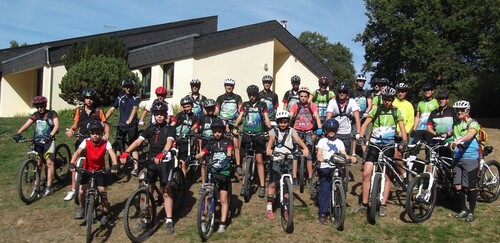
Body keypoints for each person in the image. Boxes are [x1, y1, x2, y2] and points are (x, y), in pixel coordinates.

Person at [120, 102, 178, 233]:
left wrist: (163, 153)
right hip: (151, 160)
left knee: (165, 191)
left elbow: (169, 142)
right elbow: (138, 141)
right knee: (147, 189)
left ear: (165, 115)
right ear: (153, 115)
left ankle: (169, 220)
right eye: (157, 114)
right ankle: (147, 218)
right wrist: (126, 152)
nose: (159, 117)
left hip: (164, 161)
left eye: (162, 114)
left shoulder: (170, 129)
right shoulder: (150, 128)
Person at [355, 86, 407, 217]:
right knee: (366, 173)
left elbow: (402, 128)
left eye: (389, 99)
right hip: (374, 144)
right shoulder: (376, 109)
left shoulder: (397, 112)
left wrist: (404, 140)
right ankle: (364, 203)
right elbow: (365, 124)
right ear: (382, 99)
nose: (387, 102)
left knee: (387, 175)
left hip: (388, 145)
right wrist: (361, 136)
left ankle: (383, 204)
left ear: (392, 99)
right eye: (385, 99)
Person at [69, 120, 118, 226]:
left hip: (100, 170)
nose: (95, 136)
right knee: (82, 191)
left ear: (101, 133)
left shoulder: (105, 142)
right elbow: (77, 152)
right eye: (93, 133)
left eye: (98, 133)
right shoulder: (86, 141)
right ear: (89, 134)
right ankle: (82, 208)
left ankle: (105, 213)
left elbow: (112, 153)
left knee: (102, 191)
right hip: (87, 169)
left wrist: (114, 164)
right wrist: (72, 163)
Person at [64, 88, 109, 201]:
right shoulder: (79, 110)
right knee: (76, 160)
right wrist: (71, 130)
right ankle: (73, 189)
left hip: (94, 139)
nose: (89, 100)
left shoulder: (98, 111)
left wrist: (106, 134)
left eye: (91, 98)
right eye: (87, 98)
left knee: (94, 161)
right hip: (82, 138)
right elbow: (76, 124)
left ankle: (93, 183)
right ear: (84, 99)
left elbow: (105, 124)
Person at [265, 110, 308, 220]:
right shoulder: (274, 131)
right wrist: (269, 149)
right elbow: (271, 140)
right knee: (273, 183)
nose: (283, 124)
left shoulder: (291, 131)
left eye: (285, 122)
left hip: (288, 158)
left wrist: (305, 148)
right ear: (277, 122)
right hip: (277, 158)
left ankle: (286, 208)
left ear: (288, 122)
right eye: (280, 122)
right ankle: (269, 208)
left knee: (286, 185)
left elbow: (298, 139)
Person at [13, 96, 59, 196]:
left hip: (48, 141)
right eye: (37, 107)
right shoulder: (35, 115)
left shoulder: (52, 114)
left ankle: (49, 187)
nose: (39, 109)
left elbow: (56, 125)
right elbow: (26, 124)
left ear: (45, 105)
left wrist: (50, 135)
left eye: (41, 106)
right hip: (38, 141)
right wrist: (18, 133)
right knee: (38, 164)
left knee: (49, 163)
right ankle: (37, 184)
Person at [194, 119, 233, 233]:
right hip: (212, 172)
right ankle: (204, 216)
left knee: (223, 199)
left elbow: (229, 151)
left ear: (222, 131)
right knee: (207, 194)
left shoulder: (227, 141)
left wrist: (229, 157)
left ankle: (222, 223)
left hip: (224, 173)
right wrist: (195, 157)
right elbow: (203, 152)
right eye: (215, 131)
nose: (217, 133)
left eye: (219, 131)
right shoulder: (210, 142)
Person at [316, 118, 355, 224]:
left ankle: (338, 201)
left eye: (333, 129)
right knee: (325, 189)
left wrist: (350, 157)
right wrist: (320, 157)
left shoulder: (339, 142)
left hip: (336, 166)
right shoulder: (322, 141)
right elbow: (319, 152)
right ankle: (323, 213)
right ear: (326, 130)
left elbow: (344, 154)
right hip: (325, 166)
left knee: (339, 185)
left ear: (337, 130)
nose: (331, 131)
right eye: (329, 129)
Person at [235, 84, 271, 198]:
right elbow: (240, 116)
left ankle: (262, 186)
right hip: (247, 135)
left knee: (259, 160)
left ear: (257, 95)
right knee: (245, 159)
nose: (252, 97)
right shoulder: (245, 105)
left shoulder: (262, 105)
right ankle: (244, 184)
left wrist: (269, 129)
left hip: (259, 135)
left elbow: (266, 118)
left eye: (254, 95)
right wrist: (235, 126)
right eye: (250, 95)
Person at [450, 100, 480, 222]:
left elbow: (470, 134)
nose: (459, 112)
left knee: (471, 187)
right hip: (457, 158)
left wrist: (459, 140)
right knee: (458, 186)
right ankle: (464, 209)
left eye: (461, 110)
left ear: (467, 111)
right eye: (457, 110)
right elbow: (452, 136)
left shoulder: (473, 123)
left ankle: (471, 212)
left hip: (470, 157)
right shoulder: (456, 124)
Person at [105, 79, 141, 176]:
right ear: (124, 88)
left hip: (132, 126)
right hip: (121, 125)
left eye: (130, 87)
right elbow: (112, 109)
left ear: (133, 88)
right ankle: (117, 164)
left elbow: (135, 108)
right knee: (118, 144)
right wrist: (103, 119)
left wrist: (129, 120)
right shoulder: (120, 98)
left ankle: (136, 168)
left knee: (133, 147)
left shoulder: (135, 97)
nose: (128, 89)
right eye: (126, 87)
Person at [289, 87, 322, 184]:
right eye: (301, 96)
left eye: (305, 96)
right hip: (297, 131)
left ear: (308, 97)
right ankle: (295, 176)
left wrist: (319, 127)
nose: (303, 98)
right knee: (295, 153)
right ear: (299, 96)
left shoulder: (312, 105)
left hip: (308, 131)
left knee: (309, 155)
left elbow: (316, 116)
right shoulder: (295, 105)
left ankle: (310, 176)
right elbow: (290, 116)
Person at [215, 78, 243, 175]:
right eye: (227, 85)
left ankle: (238, 165)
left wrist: (241, 114)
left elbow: (240, 108)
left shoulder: (237, 97)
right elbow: (216, 110)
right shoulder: (220, 98)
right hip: (222, 124)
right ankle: (223, 163)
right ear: (224, 86)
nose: (229, 87)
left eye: (231, 85)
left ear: (233, 87)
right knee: (223, 143)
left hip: (233, 124)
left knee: (235, 143)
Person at [325, 81, 361, 156]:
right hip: (334, 132)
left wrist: (358, 132)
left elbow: (357, 118)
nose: (342, 94)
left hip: (346, 133)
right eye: (340, 92)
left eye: (344, 92)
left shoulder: (352, 102)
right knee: (332, 153)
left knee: (344, 155)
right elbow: (328, 117)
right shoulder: (332, 102)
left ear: (347, 93)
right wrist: (326, 130)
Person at [171, 96, 200, 176]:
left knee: (182, 162)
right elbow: (173, 124)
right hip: (176, 140)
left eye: (188, 106)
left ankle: (183, 180)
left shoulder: (195, 117)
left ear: (192, 106)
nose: (187, 108)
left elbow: (195, 127)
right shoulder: (179, 115)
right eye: (185, 107)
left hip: (185, 141)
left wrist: (192, 130)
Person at [392, 82, 415, 179]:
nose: (400, 93)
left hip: (403, 134)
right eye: (399, 91)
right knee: (394, 155)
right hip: (392, 133)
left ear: (406, 93)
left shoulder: (409, 105)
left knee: (399, 156)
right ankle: (400, 174)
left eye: (403, 92)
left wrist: (404, 132)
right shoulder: (392, 102)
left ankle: (400, 176)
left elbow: (410, 121)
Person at [411, 83, 439, 160]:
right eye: (425, 90)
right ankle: (409, 167)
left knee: (430, 149)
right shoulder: (420, 103)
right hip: (420, 128)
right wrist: (414, 129)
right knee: (414, 147)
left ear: (432, 91)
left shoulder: (436, 102)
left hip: (430, 128)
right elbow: (417, 117)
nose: (427, 92)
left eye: (429, 90)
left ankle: (429, 167)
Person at [426, 91, 457, 158]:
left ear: (447, 100)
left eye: (443, 99)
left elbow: (456, 126)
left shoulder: (453, 111)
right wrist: (436, 134)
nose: (441, 100)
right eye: (439, 99)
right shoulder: (433, 112)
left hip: (449, 141)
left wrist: (447, 134)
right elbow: (428, 127)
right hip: (436, 141)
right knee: (433, 162)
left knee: (448, 163)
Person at [198, 99, 220, 184]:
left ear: (214, 108)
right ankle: (203, 183)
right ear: (205, 109)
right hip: (205, 141)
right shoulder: (202, 118)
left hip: (215, 142)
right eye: (208, 108)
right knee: (203, 163)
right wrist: (194, 131)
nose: (210, 110)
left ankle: (216, 181)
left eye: (212, 108)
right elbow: (196, 126)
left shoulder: (217, 119)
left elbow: (223, 129)